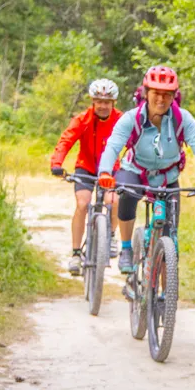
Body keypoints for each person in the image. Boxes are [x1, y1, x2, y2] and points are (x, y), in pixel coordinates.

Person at [96, 65, 195, 271]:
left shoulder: (183, 119)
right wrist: (104, 172)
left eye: (167, 94)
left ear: (174, 96)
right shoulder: (132, 118)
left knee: (169, 237)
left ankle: (164, 296)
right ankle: (126, 248)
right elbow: (113, 145)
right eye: (156, 93)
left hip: (167, 176)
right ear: (146, 93)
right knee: (127, 194)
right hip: (135, 170)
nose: (161, 100)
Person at [50, 78, 122, 275]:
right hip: (86, 168)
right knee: (83, 203)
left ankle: (111, 237)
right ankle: (75, 253)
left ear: (113, 103)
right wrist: (57, 163)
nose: (103, 106)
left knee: (113, 200)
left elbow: (136, 139)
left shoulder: (121, 120)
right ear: (93, 101)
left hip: (111, 170)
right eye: (99, 101)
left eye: (107, 102)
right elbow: (66, 140)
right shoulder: (83, 119)